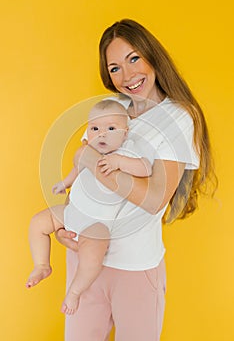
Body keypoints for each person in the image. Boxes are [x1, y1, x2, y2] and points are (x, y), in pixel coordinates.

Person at [55, 19, 217, 341]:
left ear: (151, 55)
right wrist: (65, 224)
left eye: (133, 59)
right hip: (85, 260)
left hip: (135, 267)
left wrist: (92, 159)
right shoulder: (115, 108)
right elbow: (83, 176)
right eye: (115, 68)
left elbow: (156, 197)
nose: (127, 77)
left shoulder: (177, 116)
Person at [26, 99, 152, 315]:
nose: (101, 134)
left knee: (92, 257)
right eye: (95, 128)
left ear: (125, 132)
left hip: (98, 222)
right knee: (38, 222)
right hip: (72, 211)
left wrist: (120, 162)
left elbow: (146, 168)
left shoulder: (127, 154)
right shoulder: (87, 151)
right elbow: (77, 169)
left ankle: (74, 291)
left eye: (111, 128)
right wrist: (65, 183)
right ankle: (41, 265)